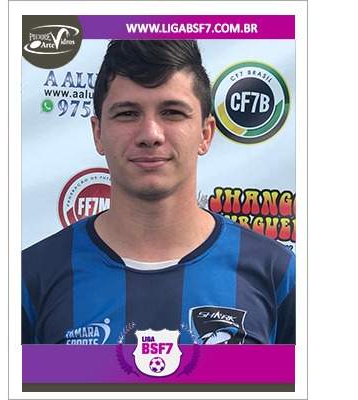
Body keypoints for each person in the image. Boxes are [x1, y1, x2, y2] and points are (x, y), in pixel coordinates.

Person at [22, 40, 295, 345]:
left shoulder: (278, 274)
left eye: (172, 113)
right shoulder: (31, 278)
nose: (150, 134)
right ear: (98, 133)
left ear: (205, 134)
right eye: (128, 114)